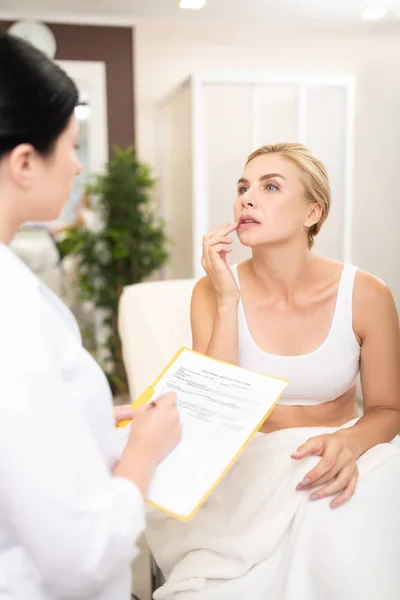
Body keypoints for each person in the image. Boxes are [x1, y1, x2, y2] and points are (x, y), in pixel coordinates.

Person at [146, 143, 400, 600]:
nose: (246, 197)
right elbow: (211, 409)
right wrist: (227, 299)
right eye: (243, 187)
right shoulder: (212, 291)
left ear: (311, 212)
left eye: (270, 186)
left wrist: (349, 441)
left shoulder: (367, 295)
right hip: (246, 470)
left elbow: (386, 408)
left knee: (347, 530)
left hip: (341, 453)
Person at [0, 32, 181, 600]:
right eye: (73, 145)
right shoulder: (12, 314)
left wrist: (95, 418)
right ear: (26, 161)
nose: (78, 167)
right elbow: (81, 555)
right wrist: (143, 451)